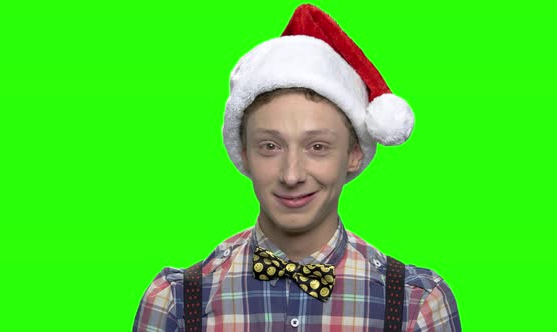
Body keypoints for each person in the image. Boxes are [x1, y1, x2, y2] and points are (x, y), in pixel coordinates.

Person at [133, 4, 460, 331]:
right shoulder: (175, 301)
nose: (292, 175)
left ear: (354, 153)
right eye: (270, 146)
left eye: (317, 147)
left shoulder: (415, 304)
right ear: (243, 153)